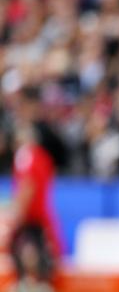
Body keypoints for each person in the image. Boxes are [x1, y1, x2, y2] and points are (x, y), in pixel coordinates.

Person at [9, 121, 61, 292]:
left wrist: (17, 215)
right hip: (42, 218)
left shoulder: (26, 156)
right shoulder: (44, 157)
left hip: (30, 220)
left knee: (25, 257)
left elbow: (27, 186)